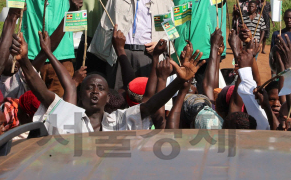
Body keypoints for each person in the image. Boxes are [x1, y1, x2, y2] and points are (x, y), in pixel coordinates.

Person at [11, 31, 204, 133]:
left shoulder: (118, 121)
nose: (95, 91)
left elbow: (150, 105)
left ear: (107, 96)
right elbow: (41, 90)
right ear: (79, 96)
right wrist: (23, 60)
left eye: (101, 88)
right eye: (89, 87)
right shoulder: (66, 114)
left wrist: (179, 82)